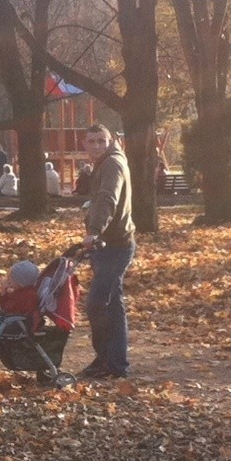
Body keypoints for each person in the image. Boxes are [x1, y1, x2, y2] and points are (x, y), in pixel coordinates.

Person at [80, 123, 135, 379]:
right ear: (85, 144)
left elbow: (108, 198)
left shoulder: (112, 164)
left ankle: (114, 362)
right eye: (91, 141)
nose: (96, 146)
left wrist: (94, 230)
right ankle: (109, 360)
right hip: (106, 245)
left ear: (110, 141)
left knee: (99, 303)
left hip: (116, 245)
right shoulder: (105, 163)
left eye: (101, 141)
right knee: (109, 304)